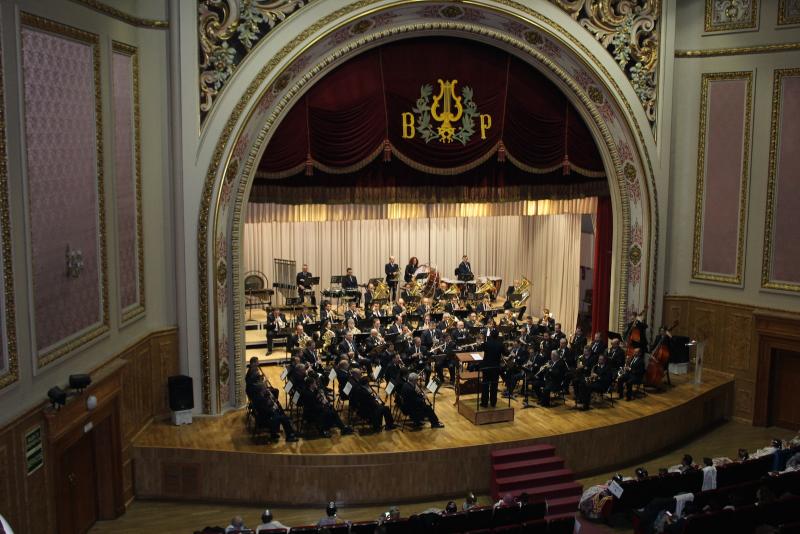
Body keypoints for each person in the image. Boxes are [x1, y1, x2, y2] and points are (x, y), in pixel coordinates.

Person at [480, 329, 506, 408]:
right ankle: (493, 402)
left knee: (485, 385)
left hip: (487, 367)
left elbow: (480, 349)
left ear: (490, 335)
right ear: (498, 336)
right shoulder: (500, 344)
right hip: (495, 367)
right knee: (494, 385)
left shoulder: (486, 344)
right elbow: (506, 353)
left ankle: (484, 403)